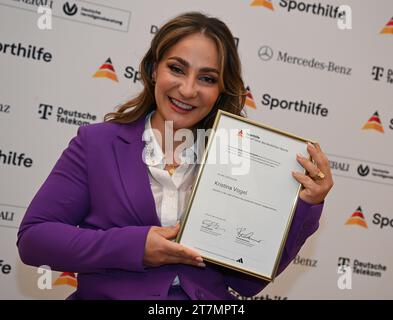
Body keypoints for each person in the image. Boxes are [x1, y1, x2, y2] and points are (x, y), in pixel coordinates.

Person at [17, 12, 333, 300]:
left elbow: (248, 282)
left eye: (207, 78)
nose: (187, 89)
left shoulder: (238, 157)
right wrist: (136, 247)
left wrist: (308, 204)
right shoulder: (97, 143)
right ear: (154, 69)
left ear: (221, 89)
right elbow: (35, 240)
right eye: (177, 69)